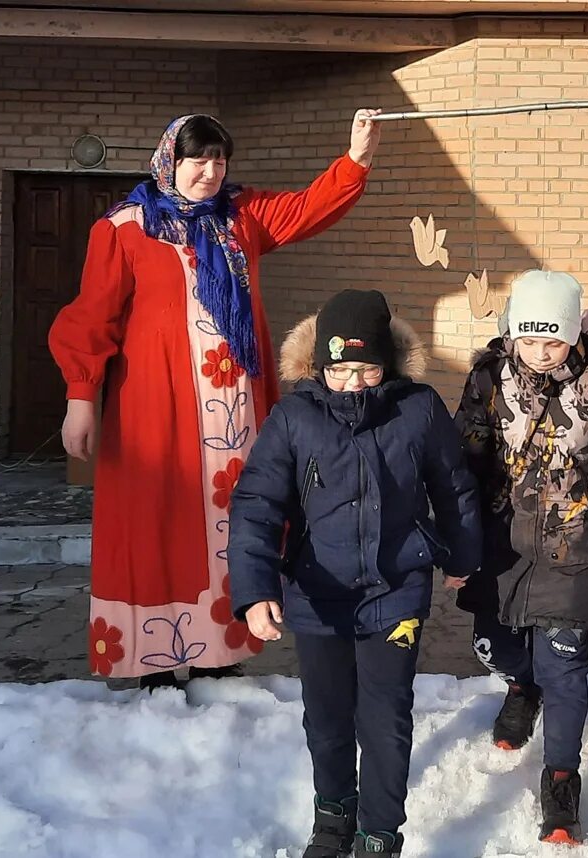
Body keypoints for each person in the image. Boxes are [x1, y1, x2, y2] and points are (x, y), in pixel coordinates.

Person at [49, 111, 382, 691]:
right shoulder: (126, 226)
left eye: (219, 161)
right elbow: (91, 318)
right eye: (196, 160)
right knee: (157, 521)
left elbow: (309, 208)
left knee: (236, 520)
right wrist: (82, 397)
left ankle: (219, 651)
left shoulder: (240, 216)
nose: (208, 172)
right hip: (156, 409)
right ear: (169, 161)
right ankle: (155, 660)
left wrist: (357, 156)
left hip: (234, 411)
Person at [228, 289, 481, 858]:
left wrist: (462, 558)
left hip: (396, 588)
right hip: (318, 592)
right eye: (340, 370)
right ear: (320, 366)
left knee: (385, 717)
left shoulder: (417, 408)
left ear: (386, 364)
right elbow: (257, 503)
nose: (353, 384)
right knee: (326, 716)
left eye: (366, 369)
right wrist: (255, 588)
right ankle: (333, 817)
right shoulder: (294, 415)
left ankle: (379, 834)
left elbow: (454, 486)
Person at [454, 270, 588, 844]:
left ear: (573, 336)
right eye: (530, 340)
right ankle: (522, 688)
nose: (541, 354)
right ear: (513, 333)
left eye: (554, 342)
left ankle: (562, 779)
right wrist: (456, 542)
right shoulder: (488, 378)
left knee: (566, 669)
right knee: (495, 646)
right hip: (503, 547)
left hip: (578, 548)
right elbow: (461, 467)